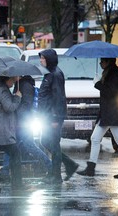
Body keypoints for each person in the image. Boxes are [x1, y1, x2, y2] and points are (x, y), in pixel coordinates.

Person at [77, 58, 118, 178]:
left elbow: (111, 92)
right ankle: (91, 168)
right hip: (108, 113)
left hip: (111, 113)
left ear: (108, 62)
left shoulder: (114, 74)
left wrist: (97, 84)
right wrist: (100, 82)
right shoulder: (110, 73)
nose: (100, 63)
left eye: (102, 61)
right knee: (96, 138)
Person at [38, 49, 79, 184]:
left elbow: (58, 98)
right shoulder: (49, 73)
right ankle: (69, 164)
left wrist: (55, 118)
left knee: (54, 144)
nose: (41, 61)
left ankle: (56, 176)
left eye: (43, 58)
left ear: (49, 59)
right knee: (45, 141)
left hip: (53, 116)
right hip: (47, 115)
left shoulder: (55, 74)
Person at [0, 76, 52, 180]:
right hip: (20, 122)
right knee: (14, 145)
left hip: (23, 122)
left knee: (27, 146)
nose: (13, 76)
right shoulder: (19, 85)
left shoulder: (25, 86)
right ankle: (4, 171)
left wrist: (16, 111)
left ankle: (50, 166)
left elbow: (26, 105)